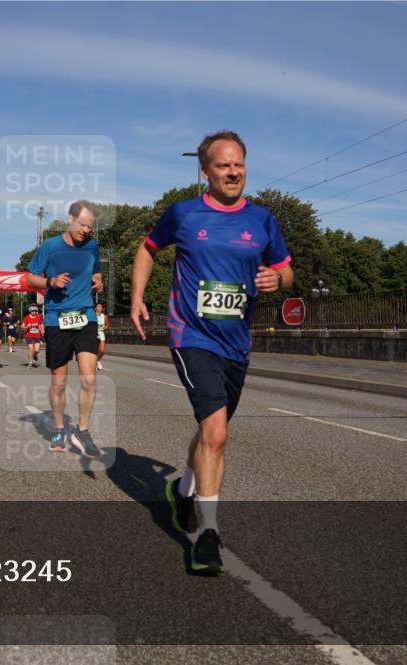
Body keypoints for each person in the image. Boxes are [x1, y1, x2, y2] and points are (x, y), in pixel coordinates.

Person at [131, 130, 294, 574]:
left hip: (237, 343)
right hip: (191, 335)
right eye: (223, 165)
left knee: (210, 430)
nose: (233, 171)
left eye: (238, 163)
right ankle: (207, 535)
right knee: (217, 433)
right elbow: (147, 249)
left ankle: (182, 490)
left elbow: (286, 271)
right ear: (205, 171)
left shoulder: (262, 220)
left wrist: (277, 281)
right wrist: (137, 297)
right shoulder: (184, 213)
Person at [26, 200, 103, 459]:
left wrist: (98, 282)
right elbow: (29, 278)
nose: (86, 230)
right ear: (70, 219)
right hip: (57, 319)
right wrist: (51, 281)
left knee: (88, 377)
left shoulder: (92, 246)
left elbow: (97, 273)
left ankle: (82, 430)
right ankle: (59, 429)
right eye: (82, 224)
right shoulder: (50, 247)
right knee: (58, 383)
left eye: (89, 227)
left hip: (85, 317)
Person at [95, 302, 108, 370]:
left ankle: (97, 360)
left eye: (101, 307)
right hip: (93, 334)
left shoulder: (104, 316)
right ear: (95, 308)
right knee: (94, 350)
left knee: (102, 351)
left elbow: (107, 325)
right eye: (98, 306)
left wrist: (106, 327)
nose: (100, 308)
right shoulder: (93, 316)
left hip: (101, 333)